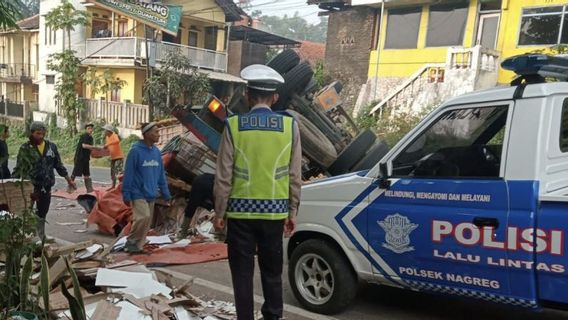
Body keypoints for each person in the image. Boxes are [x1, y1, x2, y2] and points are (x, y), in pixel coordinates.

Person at [213, 64, 302, 320]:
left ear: (248, 96)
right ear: (274, 98)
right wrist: (292, 210)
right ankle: (273, 316)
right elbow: (295, 175)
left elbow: (223, 176)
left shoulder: (233, 126)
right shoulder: (290, 127)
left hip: (240, 216)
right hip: (274, 215)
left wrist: (220, 212)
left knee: (242, 274)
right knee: (272, 273)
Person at [12, 121, 76, 239]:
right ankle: (25, 237)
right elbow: (19, 168)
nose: (41, 136)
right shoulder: (25, 148)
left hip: (46, 187)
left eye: (43, 133)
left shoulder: (51, 147)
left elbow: (59, 165)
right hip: (31, 187)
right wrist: (11, 185)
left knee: (42, 212)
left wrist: (69, 180)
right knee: (27, 211)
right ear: (32, 133)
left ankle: (41, 236)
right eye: (38, 133)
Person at [122, 122, 171, 254]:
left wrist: (166, 193)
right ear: (147, 134)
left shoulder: (156, 152)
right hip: (137, 192)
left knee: (147, 222)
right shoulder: (135, 151)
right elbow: (129, 173)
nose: (158, 135)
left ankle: (137, 246)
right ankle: (131, 241)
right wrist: (126, 193)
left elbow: (161, 175)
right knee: (143, 217)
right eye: (156, 132)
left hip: (151, 193)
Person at [178, 173, 214, 238]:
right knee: (192, 206)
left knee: (191, 206)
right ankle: (182, 234)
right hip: (207, 184)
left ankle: (182, 234)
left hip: (199, 180)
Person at [70, 123, 97, 193]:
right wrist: (94, 147)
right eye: (89, 128)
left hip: (86, 158)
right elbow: (84, 145)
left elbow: (90, 149)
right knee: (75, 173)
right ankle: (70, 187)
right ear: (86, 129)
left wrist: (96, 153)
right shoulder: (84, 136)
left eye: (91, 128)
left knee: (87, 174)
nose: (90, 130)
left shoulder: (91, 138)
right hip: (80, 157)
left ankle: (89, 189)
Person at [103, 124, 124, 189]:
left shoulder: (114, 135)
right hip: (113, 157)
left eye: (105, 130)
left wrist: (107, 144)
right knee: (112, 173)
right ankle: (113, 186)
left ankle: (122, 186)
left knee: (118, 172)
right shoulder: (107, 137)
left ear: (109, 131)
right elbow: (109, 146)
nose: (104, 132)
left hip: (118, 157)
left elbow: (117, 141)